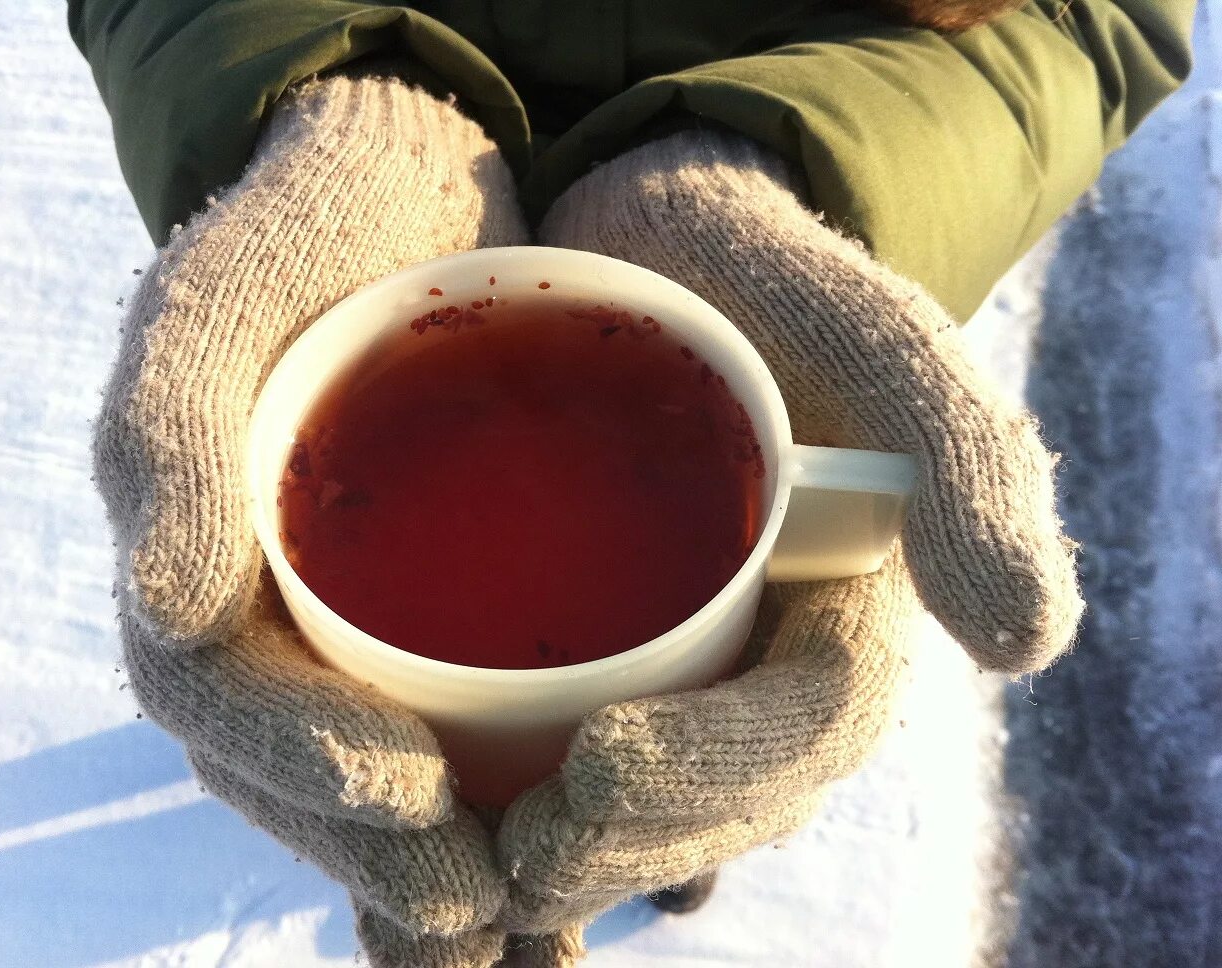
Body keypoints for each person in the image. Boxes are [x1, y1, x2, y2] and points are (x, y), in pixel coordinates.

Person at [76, 1, 1195, 965]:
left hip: (769, 205)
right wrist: (345, 119)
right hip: (359, 222)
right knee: (294, 688)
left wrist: (789, 168)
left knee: (666, 773)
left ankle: (668, 851)